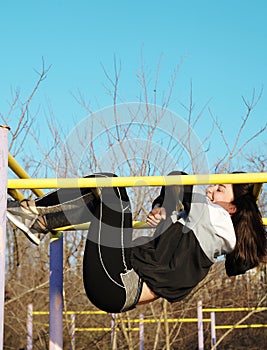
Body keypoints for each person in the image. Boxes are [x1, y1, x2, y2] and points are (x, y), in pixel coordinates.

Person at [7, 171, 267, 313]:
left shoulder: (215, 217)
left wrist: (162, 206)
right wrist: (164, 211)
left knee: (111, 187)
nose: (210, 188)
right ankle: (39, 220)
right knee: (104, 197)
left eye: (220, 189)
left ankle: (33, 213)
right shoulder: (207, 234)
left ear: (232, 209)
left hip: (118, 281)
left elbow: (178, 178)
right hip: (120, 286)